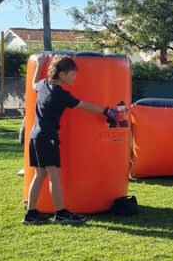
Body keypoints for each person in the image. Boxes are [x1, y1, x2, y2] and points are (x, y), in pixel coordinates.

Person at [23, 54, 120, 225]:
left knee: (39, 174)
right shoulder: (60, 94)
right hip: (47, 138)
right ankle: (61, 214)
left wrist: (38, 65)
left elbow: (33, 85)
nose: (75, 77)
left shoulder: (44, 85)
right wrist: (106, 111)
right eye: (72, 74)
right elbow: (85, 106)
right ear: (61, 74)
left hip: (35, 136)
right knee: (54, 175)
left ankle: (31, 214)